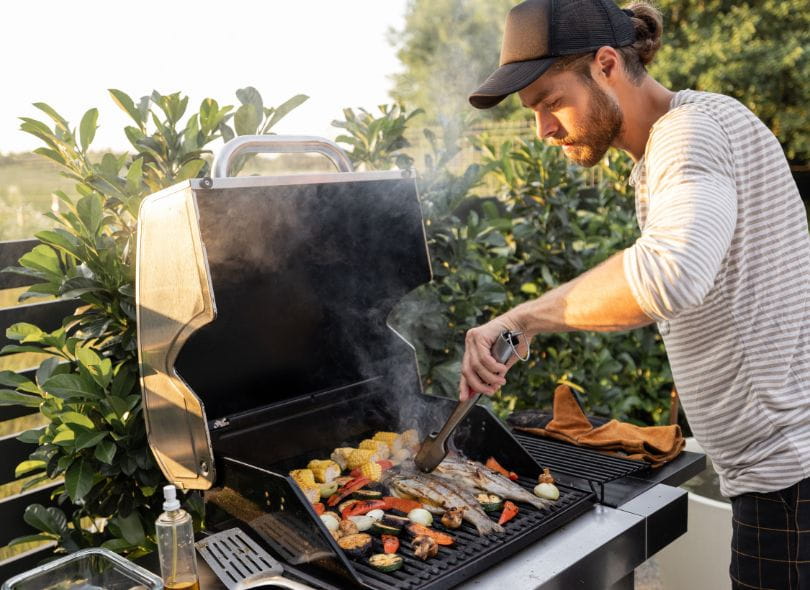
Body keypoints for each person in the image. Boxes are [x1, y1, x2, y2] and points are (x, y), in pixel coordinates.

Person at [463, 0, 810, 587]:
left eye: (551, 102)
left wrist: (522, 318)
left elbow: (671, 272)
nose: (543, 129)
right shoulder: (695, 130)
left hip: (788, 480)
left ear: (605, 65)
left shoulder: (688, 134)